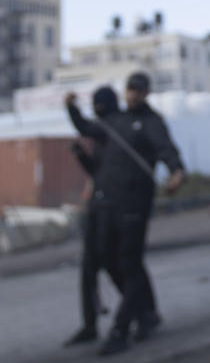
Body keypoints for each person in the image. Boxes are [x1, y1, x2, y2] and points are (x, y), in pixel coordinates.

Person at [66, 73, 186, 355]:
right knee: (108, 260)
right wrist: (71, 108)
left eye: (138, 90)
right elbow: (85, 127)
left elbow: (167, 150)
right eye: (129, 89)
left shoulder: (151, 122)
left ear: (146, 93)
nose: (132, 94)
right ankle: (144, 313)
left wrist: (177, 172)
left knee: (129, 263)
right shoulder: (114, 121)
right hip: (107, 205)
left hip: (134, 205)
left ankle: (121, 328)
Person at [62, 87, 125, 347]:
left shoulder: (113, 127)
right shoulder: (105, 136)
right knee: (90, 267)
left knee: (117, 265)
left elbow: (84, 126)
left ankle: (142, 310)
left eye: (97, 104)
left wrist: (71, 108)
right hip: (98, 209)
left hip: (115, 211)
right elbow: (97, 172)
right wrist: (81, 156)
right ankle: (90, 324)